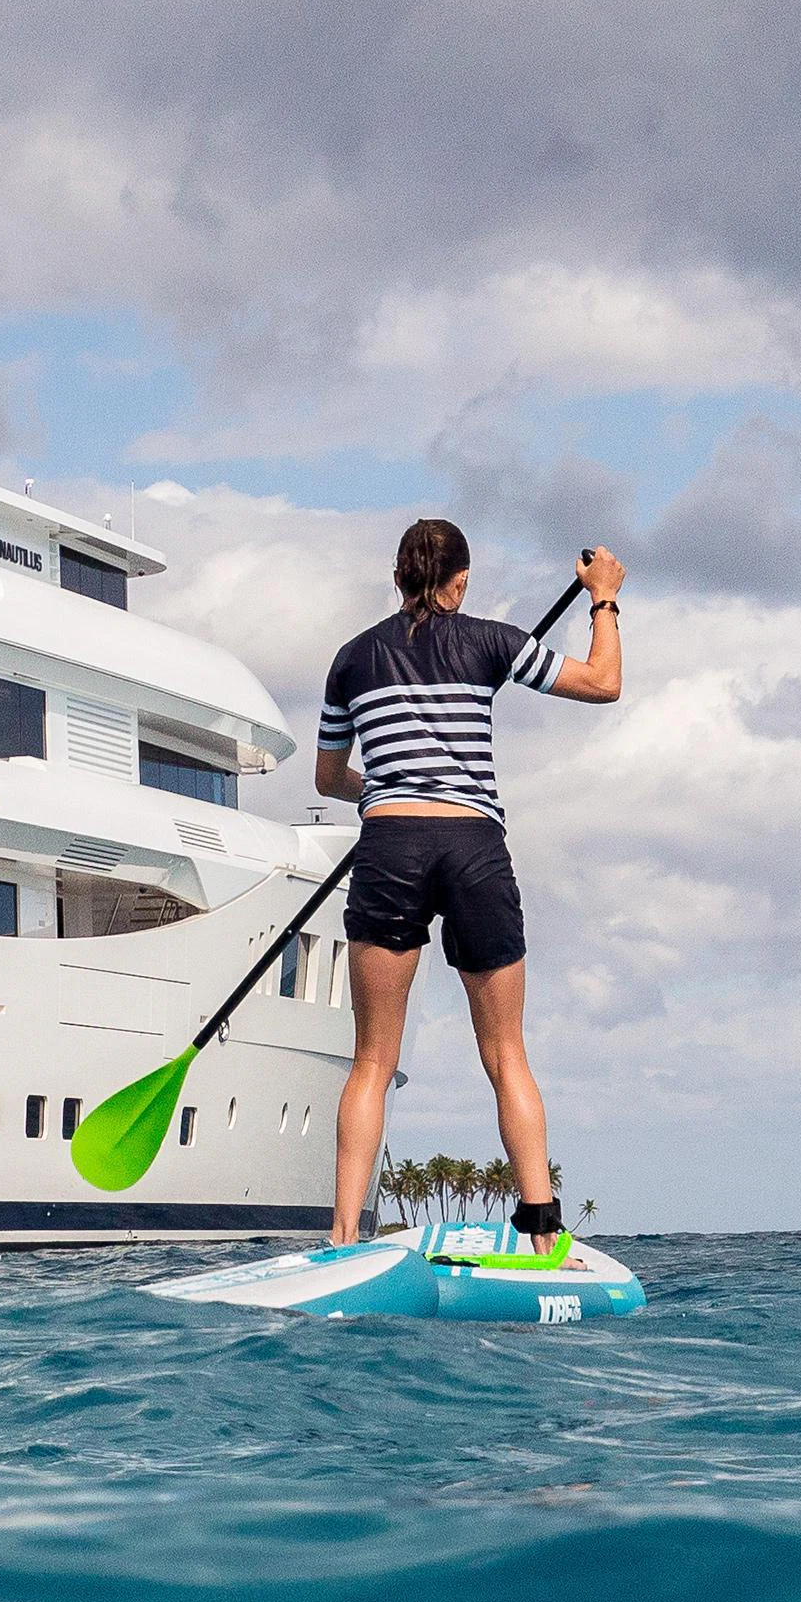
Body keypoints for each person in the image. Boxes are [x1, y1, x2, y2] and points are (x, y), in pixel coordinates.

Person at [314, 521, 625, 1247]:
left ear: (398, 579)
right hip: (472, 844)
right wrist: (603, 599)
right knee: (506, 1053)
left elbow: (328, 779)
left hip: (389, 843)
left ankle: (340, 1238)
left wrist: (387, 791)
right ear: (460, 582)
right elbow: (604, 684)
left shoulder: (351, 659)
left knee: (371, 1060)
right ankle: (545, 1231)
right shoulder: (494, 642)